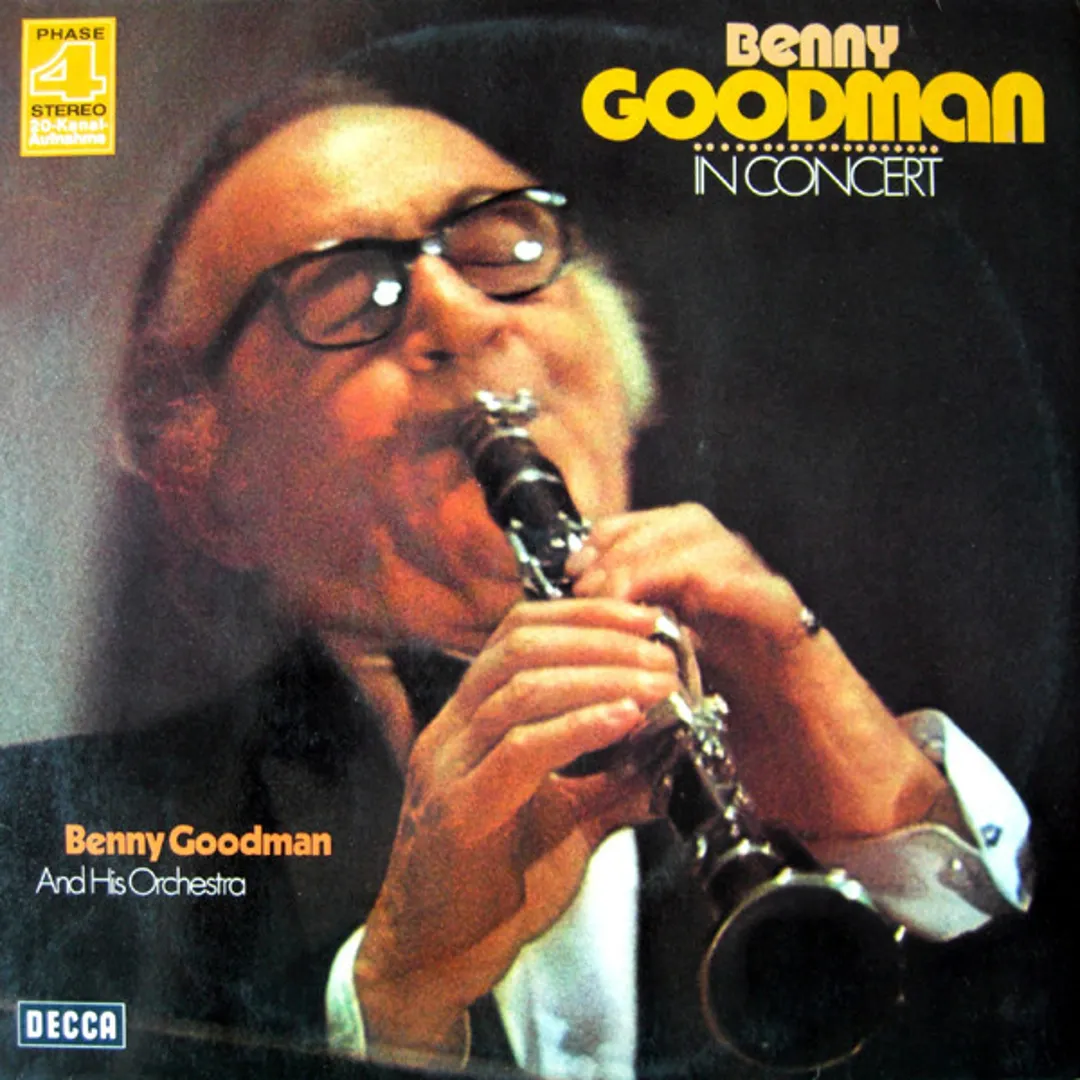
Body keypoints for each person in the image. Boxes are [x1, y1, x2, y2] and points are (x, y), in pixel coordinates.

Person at [0, 66, 1033, 1079]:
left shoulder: (843, 756)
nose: (459, 316)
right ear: (209, 486)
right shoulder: (45, 839)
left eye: (500, 248)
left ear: (621, 367)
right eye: (348, 293)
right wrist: (392, 1006)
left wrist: (905, 843)